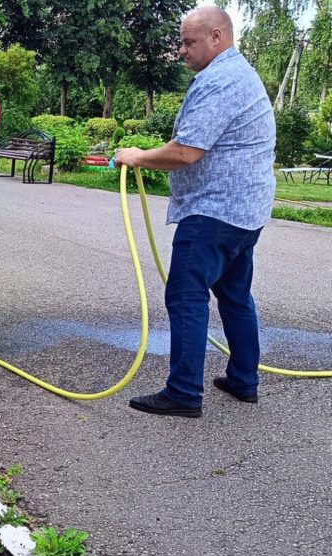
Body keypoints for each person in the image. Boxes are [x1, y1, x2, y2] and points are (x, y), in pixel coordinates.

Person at [114, 6, 275, 418]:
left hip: (214, 212)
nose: (182, 50)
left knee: (186, 297)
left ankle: (184, 392)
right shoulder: (241, 74)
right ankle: (243, 381)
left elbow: (187, 151)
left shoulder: (219, 81)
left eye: (189, 42)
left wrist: (137, 156)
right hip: (245, 211)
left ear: (217, 37)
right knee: (235, 296)